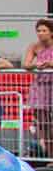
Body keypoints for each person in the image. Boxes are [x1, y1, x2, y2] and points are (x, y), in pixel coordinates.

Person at [23, 19, 53, 158]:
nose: (41, 34)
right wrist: (37, 65)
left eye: (44, 31)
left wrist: (50, 64)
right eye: (39, 31)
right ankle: (50, 155)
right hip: (41, 86)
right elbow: (26, 64)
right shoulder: (34, 47)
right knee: (43, 123)